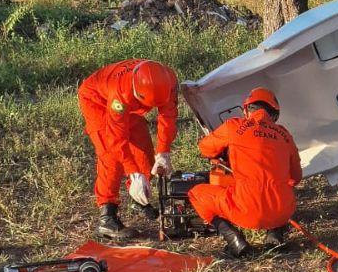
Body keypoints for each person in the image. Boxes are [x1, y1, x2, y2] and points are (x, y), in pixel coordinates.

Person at [188, 87, 302, 257]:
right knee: (278, 191)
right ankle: (275, 235)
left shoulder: (234, 126)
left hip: (245, 211)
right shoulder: (285, 135)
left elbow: (205, 148)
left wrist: (221, 154)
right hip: (282, 212)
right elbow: (296, 178)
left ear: (247, 109)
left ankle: (234, 240)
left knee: (196, 194)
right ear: (275, 114)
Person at [78, 59, 178, 239]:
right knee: (111, 157)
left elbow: (168, 118)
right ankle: (107, 216)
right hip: (97, 101)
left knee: (143, 152)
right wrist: (133, 172)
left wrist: (163, 152)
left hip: (131, 106)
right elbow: (117, 140)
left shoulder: (168, 80)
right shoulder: (120, 93)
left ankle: (138, 200)